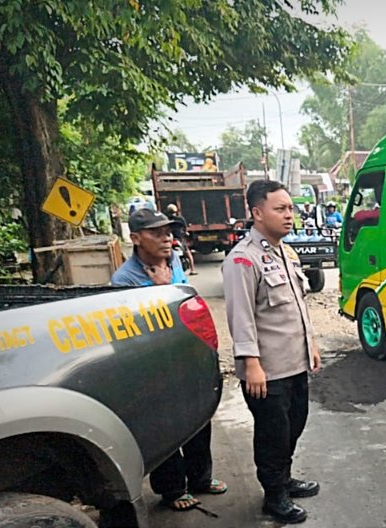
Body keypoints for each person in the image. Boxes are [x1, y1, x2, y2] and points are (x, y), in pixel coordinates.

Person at [111, 208, 227, 512]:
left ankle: (202, 478)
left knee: (198, 418)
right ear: (135, 238)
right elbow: (133, 331)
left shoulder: (174, 261)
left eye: (169, 232)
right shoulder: (124, 280)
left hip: (185, 355)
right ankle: (173, 488)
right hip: (152, 365)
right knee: (165, 425)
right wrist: (160, 290)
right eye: (157, 233)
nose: (167, 239)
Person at [222, 180, 322, 524]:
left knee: (294, 425)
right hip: (267, 371)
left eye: (291, 208)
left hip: (295, 363)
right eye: (280, 209)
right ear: (256, 213)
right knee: (273, 435)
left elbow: (297, 307)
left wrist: (312, 346)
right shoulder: (242, 259)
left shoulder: (286, 252)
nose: (289, 215)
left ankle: (284, 479)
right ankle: (274, 495)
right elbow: (241, 316)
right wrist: (251, 364)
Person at [166, 203, 197, 275]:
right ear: (176, 210)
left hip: (170, 239)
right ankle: (192, 270)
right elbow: (185, 229)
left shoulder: (165, 219)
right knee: (188, 253)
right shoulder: (180, 219)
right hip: (179, 239)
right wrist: (185, 232)